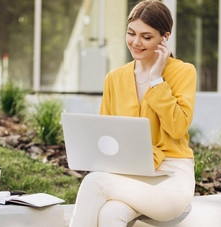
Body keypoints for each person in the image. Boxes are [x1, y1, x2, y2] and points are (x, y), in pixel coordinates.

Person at [69, 0, 197, 226]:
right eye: (131, 33)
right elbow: (104, 138)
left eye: (146, 37)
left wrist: (157, 80)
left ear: (164, 38)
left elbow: (178, 127)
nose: (136, 42)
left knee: (94, 182)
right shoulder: (114, 78)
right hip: (130, 176)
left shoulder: (183, 72)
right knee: (110, 214)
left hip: (172, 178)